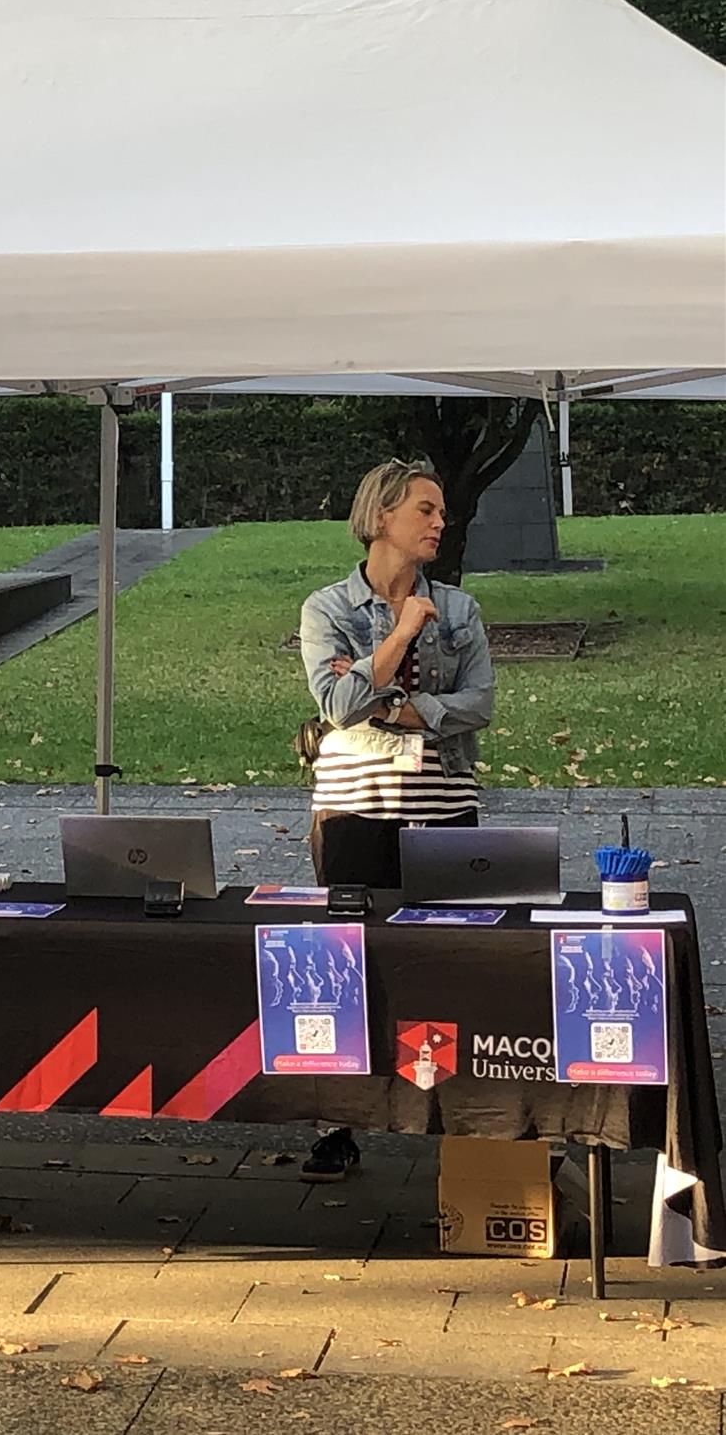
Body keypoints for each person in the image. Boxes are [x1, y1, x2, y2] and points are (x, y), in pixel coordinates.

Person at [295, 459, 495, 1182]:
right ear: (382, 517)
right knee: (349, 959)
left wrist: (405, 707)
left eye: (441, 511)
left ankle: (456, 1116)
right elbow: (337, 706)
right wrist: (403, 631)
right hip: (355, 808)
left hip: (443, 803)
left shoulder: (461, 610)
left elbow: (480, 703)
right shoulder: (328, 608)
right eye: (425, 510)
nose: (440, 522)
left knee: (447, 958)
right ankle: (338, 1124)